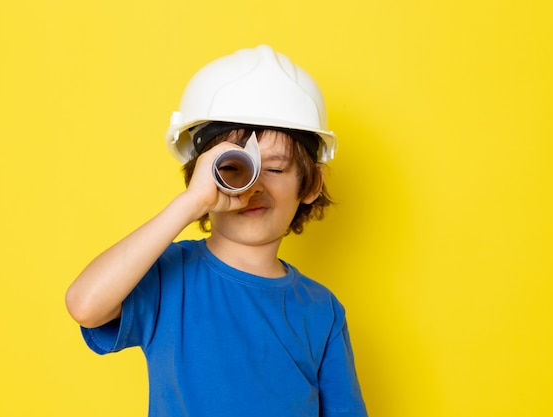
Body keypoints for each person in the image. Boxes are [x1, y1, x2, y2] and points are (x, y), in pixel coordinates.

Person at [66, 45, 368, 417]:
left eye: (273, 169)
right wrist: (191, 204)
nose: (254, 188)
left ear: (310, 184)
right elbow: (84, 305)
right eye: (234, 169)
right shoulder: (168, 276)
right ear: (202, 177)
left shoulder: (322, 310)